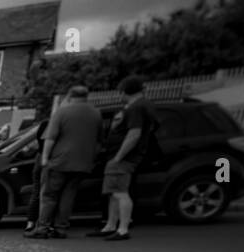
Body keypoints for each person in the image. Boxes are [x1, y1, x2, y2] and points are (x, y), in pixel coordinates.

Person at [25, 86, 102, 239]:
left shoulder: (62, 112)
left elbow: (50, 138)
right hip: (82, 162)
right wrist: (91, 158)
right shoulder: (96, 113)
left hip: (60, 161)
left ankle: (42, 228)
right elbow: (99, 141)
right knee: (69, 196)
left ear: (69, 96)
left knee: (49, 196)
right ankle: (61, 228)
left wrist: (45, 158)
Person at [90, 75, 157, 241]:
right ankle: (111, 226)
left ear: (125, 91)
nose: (119, 95)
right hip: (122, 156)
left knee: (120, 193)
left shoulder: (136, 108)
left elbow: (134, 134)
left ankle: (122, 229)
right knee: (113, 193)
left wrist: (119, 156)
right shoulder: (142, 106)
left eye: (120, 91)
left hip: (123, 157)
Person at [22, 108, 50, 233]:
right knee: (48, 194)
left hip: (41, 158)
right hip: (49, 160)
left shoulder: (45, 125)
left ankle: (31, 222)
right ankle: (45, 224)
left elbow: (36, 143)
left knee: (37, 192)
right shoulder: (54, 125)